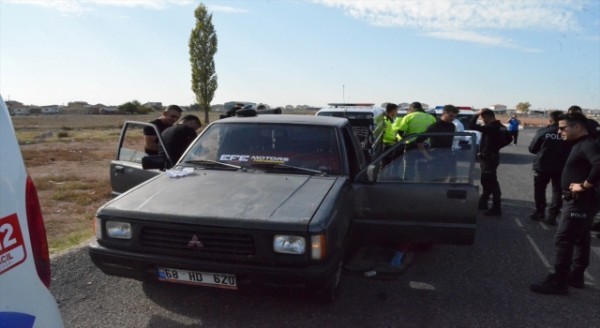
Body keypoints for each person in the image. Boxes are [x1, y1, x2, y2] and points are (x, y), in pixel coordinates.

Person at [530, 113, 600, 295]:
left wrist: (583, 186)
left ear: (577, 127)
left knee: (564, 239)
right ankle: (576, 276)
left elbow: (599, 164)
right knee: (581, 239)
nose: (559, 131)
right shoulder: (579, 144)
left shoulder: (588, 145)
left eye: (563, 128)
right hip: (581, 202)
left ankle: (558, 282)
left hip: (580, 202)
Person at [528, 110, 572, 225]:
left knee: (539, 190)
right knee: (557, 191)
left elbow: (532, 149)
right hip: (561, 168)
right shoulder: (569, 134)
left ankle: (540, 212)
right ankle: (552, 215)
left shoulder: (544, 132)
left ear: (550, 120)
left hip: (542, 167)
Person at [468, 108, 506, 216]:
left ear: (487, 117)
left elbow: (471, 126)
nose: (482, 120)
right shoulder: (501, 127)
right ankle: (483, 203)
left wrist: (476, 114)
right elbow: (509, 139)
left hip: (489, 158)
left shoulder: (491, 127)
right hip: (492, 157)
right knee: (486, 181)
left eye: (483, 118)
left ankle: (496, 207)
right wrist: (496, 147)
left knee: (492, 182)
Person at [393, 101, 436, 180]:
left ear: (411, 108)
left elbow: (401, 131)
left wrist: (406, 139)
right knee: (423, 165)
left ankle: (408, 182)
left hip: (411, 145)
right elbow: (435, 133)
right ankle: (423, 182)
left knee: (409, 166)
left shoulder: (409, 116)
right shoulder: (431, 117)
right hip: (425, 145)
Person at [417, 104, 458, 181]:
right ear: (444, 113)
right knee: (434, 180)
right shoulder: (435, 126)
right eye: (451, 116)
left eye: (454, 116)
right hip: (435, 157)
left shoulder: (452, 126)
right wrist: (427, 156)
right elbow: (419, 140)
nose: (453, 118)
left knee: (444, 180)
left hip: (447, 157)